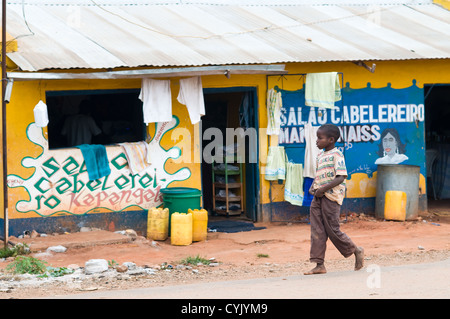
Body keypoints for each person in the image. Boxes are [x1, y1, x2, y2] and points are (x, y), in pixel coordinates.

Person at [305, 123, 364, 275]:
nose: (317, 141)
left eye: (320, 138)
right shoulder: (320, 156)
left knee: (333, 230)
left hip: (331, 197)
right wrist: (313, 187)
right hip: (318, 197)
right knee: (317, 230)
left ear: (331, 140)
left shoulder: (337, 155)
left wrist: (323, 189)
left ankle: (355, 250)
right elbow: (319, 176)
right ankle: (319, 265)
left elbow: (341, 177)